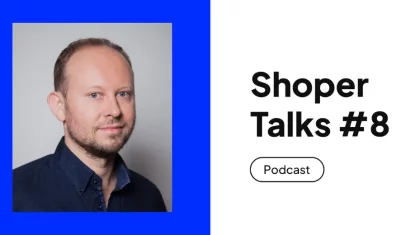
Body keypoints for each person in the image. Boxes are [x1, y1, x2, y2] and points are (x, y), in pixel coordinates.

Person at [13, 38, 167, 212]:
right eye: (95, 95)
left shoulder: (149, 197)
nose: (115, 111)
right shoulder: (13, 195)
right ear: (59, 106)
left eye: (123, 94)